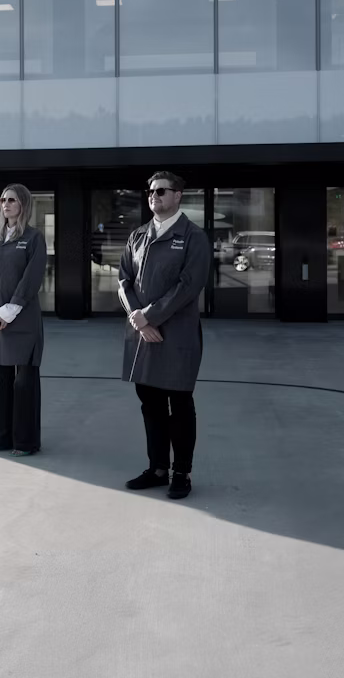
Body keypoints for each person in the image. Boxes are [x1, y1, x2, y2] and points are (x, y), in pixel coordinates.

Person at [119, 172, 211, 500]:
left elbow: (188, 286)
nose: (153, 196)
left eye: (161, 191)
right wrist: (139, 320)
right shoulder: (138, 235)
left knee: (180, 404)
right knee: (151, 404)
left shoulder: (194, 237)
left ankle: (181, 473)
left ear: (178, 196)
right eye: (150, 191)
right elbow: (123, 281)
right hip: (143, 334)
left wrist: (152, 315)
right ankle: (157, 468)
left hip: (177, 334)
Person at [0, 184, 48, 457]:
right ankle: (1, 437)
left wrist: (7, 312)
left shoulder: (33, 238)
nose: (6, 205)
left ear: (24, 205)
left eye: (12, 200)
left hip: (22, 320)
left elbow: (30, 280)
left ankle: (25, 442)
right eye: (3, 200)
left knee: (24, 383)